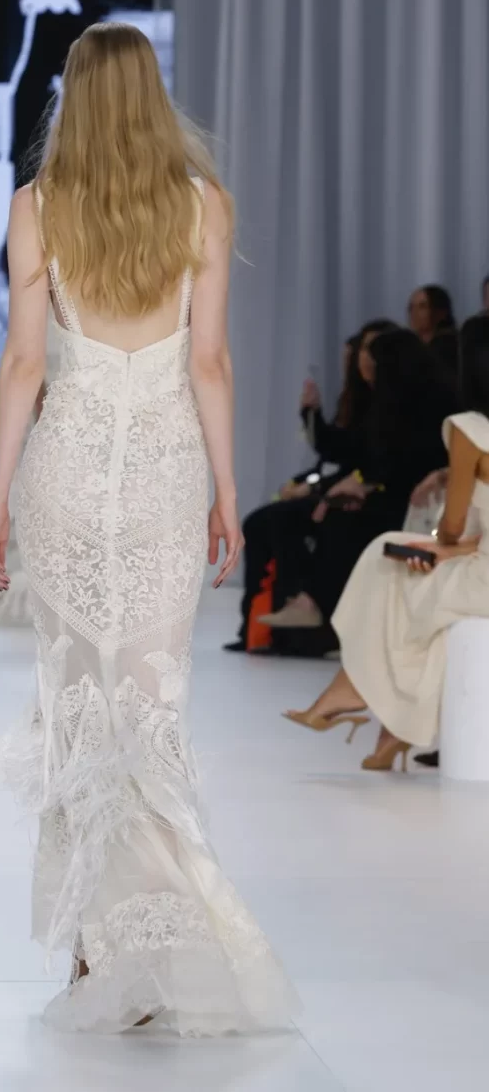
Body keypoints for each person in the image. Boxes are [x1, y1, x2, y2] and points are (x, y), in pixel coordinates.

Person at [0, 24, 297, 1035]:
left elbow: (25, 362)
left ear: (71, 96)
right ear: (152, 95)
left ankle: (95, 952)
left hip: (68, 474)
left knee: (78, 710)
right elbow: (211, 362)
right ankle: (150, 949)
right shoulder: (202, 205)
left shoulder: (38, 206)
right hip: (162, 474)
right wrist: (228, 489)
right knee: (151, 711)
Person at [283, 315, 489, 771]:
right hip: (481, 559)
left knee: (390, 564)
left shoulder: (470, 429)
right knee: (401, 567)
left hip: (482, 573)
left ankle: (357, 696)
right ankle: (388, 726)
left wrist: (444, 544)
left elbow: (453, 523)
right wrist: (450, 549)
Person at [262, 329, 456, 632]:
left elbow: (399, 465)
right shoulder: (387, 401)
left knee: (338, 521)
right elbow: (359, 454)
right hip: (398, 496)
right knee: (298, 517)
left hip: (420, 505)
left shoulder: (424, 405)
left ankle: (317, 610)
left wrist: (355, 486)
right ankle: (306, 608)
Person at [224, 328, 378, 653]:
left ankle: (295, 622)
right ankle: (256, 628)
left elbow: (360, 462)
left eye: (362, 354)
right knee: (259, 522)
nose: (355, 363)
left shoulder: (380, 409)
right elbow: (334, 457)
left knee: (285, 521)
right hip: (335, 490)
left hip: (355, 498)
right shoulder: (354, 403)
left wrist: (317, 488)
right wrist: (305, 482)